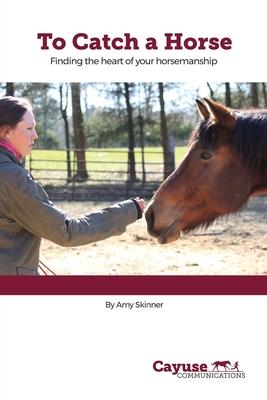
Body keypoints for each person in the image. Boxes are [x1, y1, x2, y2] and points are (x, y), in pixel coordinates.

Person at [0, 96, 145, 275]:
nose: (35, 135)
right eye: (29, 128)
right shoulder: (11, 177)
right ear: (6, 132)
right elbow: (67, 231)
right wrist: (128, 211)